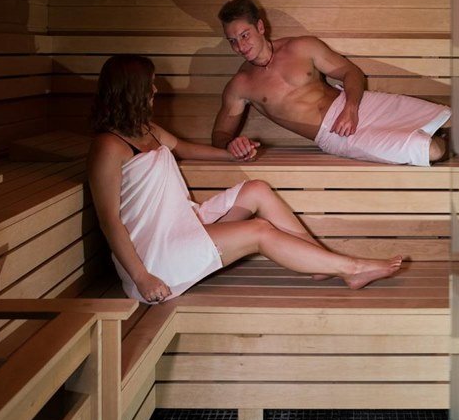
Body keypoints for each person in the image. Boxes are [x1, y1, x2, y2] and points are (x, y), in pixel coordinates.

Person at [86, 54, 403, 304]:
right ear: (131, 90)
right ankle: (351, 268)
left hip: (182, 225)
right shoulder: (108, 147)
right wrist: (142, 277)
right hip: (157, 257)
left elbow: (183, 147)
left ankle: (321, 262)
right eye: (150, 85)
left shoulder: (148, 130)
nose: (154, 91)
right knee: (259, 231)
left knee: (257, 189)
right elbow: (109, 220)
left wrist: (233, 155)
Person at [212, 0, 453, 167]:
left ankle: (455, 135)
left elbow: (351, 72)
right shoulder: (240, 85)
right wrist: (231, 145)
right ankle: (447, 142)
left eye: (245, 35)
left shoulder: (301, 47)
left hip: (356, 104)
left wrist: (350, 108)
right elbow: (220, 135)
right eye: (232, 41)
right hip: (336, 135)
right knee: (430, 150)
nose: (240, 46)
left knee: (449, 116)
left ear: (260, 27)